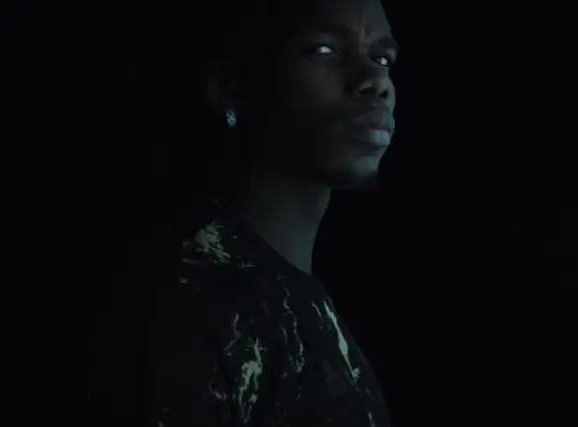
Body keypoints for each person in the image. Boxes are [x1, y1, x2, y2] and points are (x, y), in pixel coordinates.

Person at [139, 0, 398, 425]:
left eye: (383, 58)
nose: (376, 80)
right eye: (325, 50)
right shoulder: (189, 303)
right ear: (229, 85)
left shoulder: (290, 290)